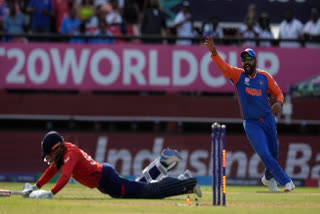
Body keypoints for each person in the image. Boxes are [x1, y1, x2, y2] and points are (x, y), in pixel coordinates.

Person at [203, 36, 295, 192]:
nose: (245, 62)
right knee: (264, 153)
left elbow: (278, 93)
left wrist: (279, 103)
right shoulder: (238, 76)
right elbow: (224, 67)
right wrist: (214, 52)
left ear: (255, 61)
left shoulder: (264, 76)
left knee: (273, 153)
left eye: (249, 59)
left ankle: (268, 179)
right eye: (243, 59)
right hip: (251, 123)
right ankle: (286, 181)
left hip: (268, 119)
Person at [22, 131, 201, 199]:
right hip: (106, 180)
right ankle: (163, 162)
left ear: (57, 148)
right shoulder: (64, 153)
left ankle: (187, 182)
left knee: (149, 192)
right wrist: (35, 187)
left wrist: (51, 194)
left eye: (51, 154)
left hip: (109, 181)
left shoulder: (70, 154)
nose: (50, 159)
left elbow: (65, 176)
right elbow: (51, 170)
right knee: (139, 185)